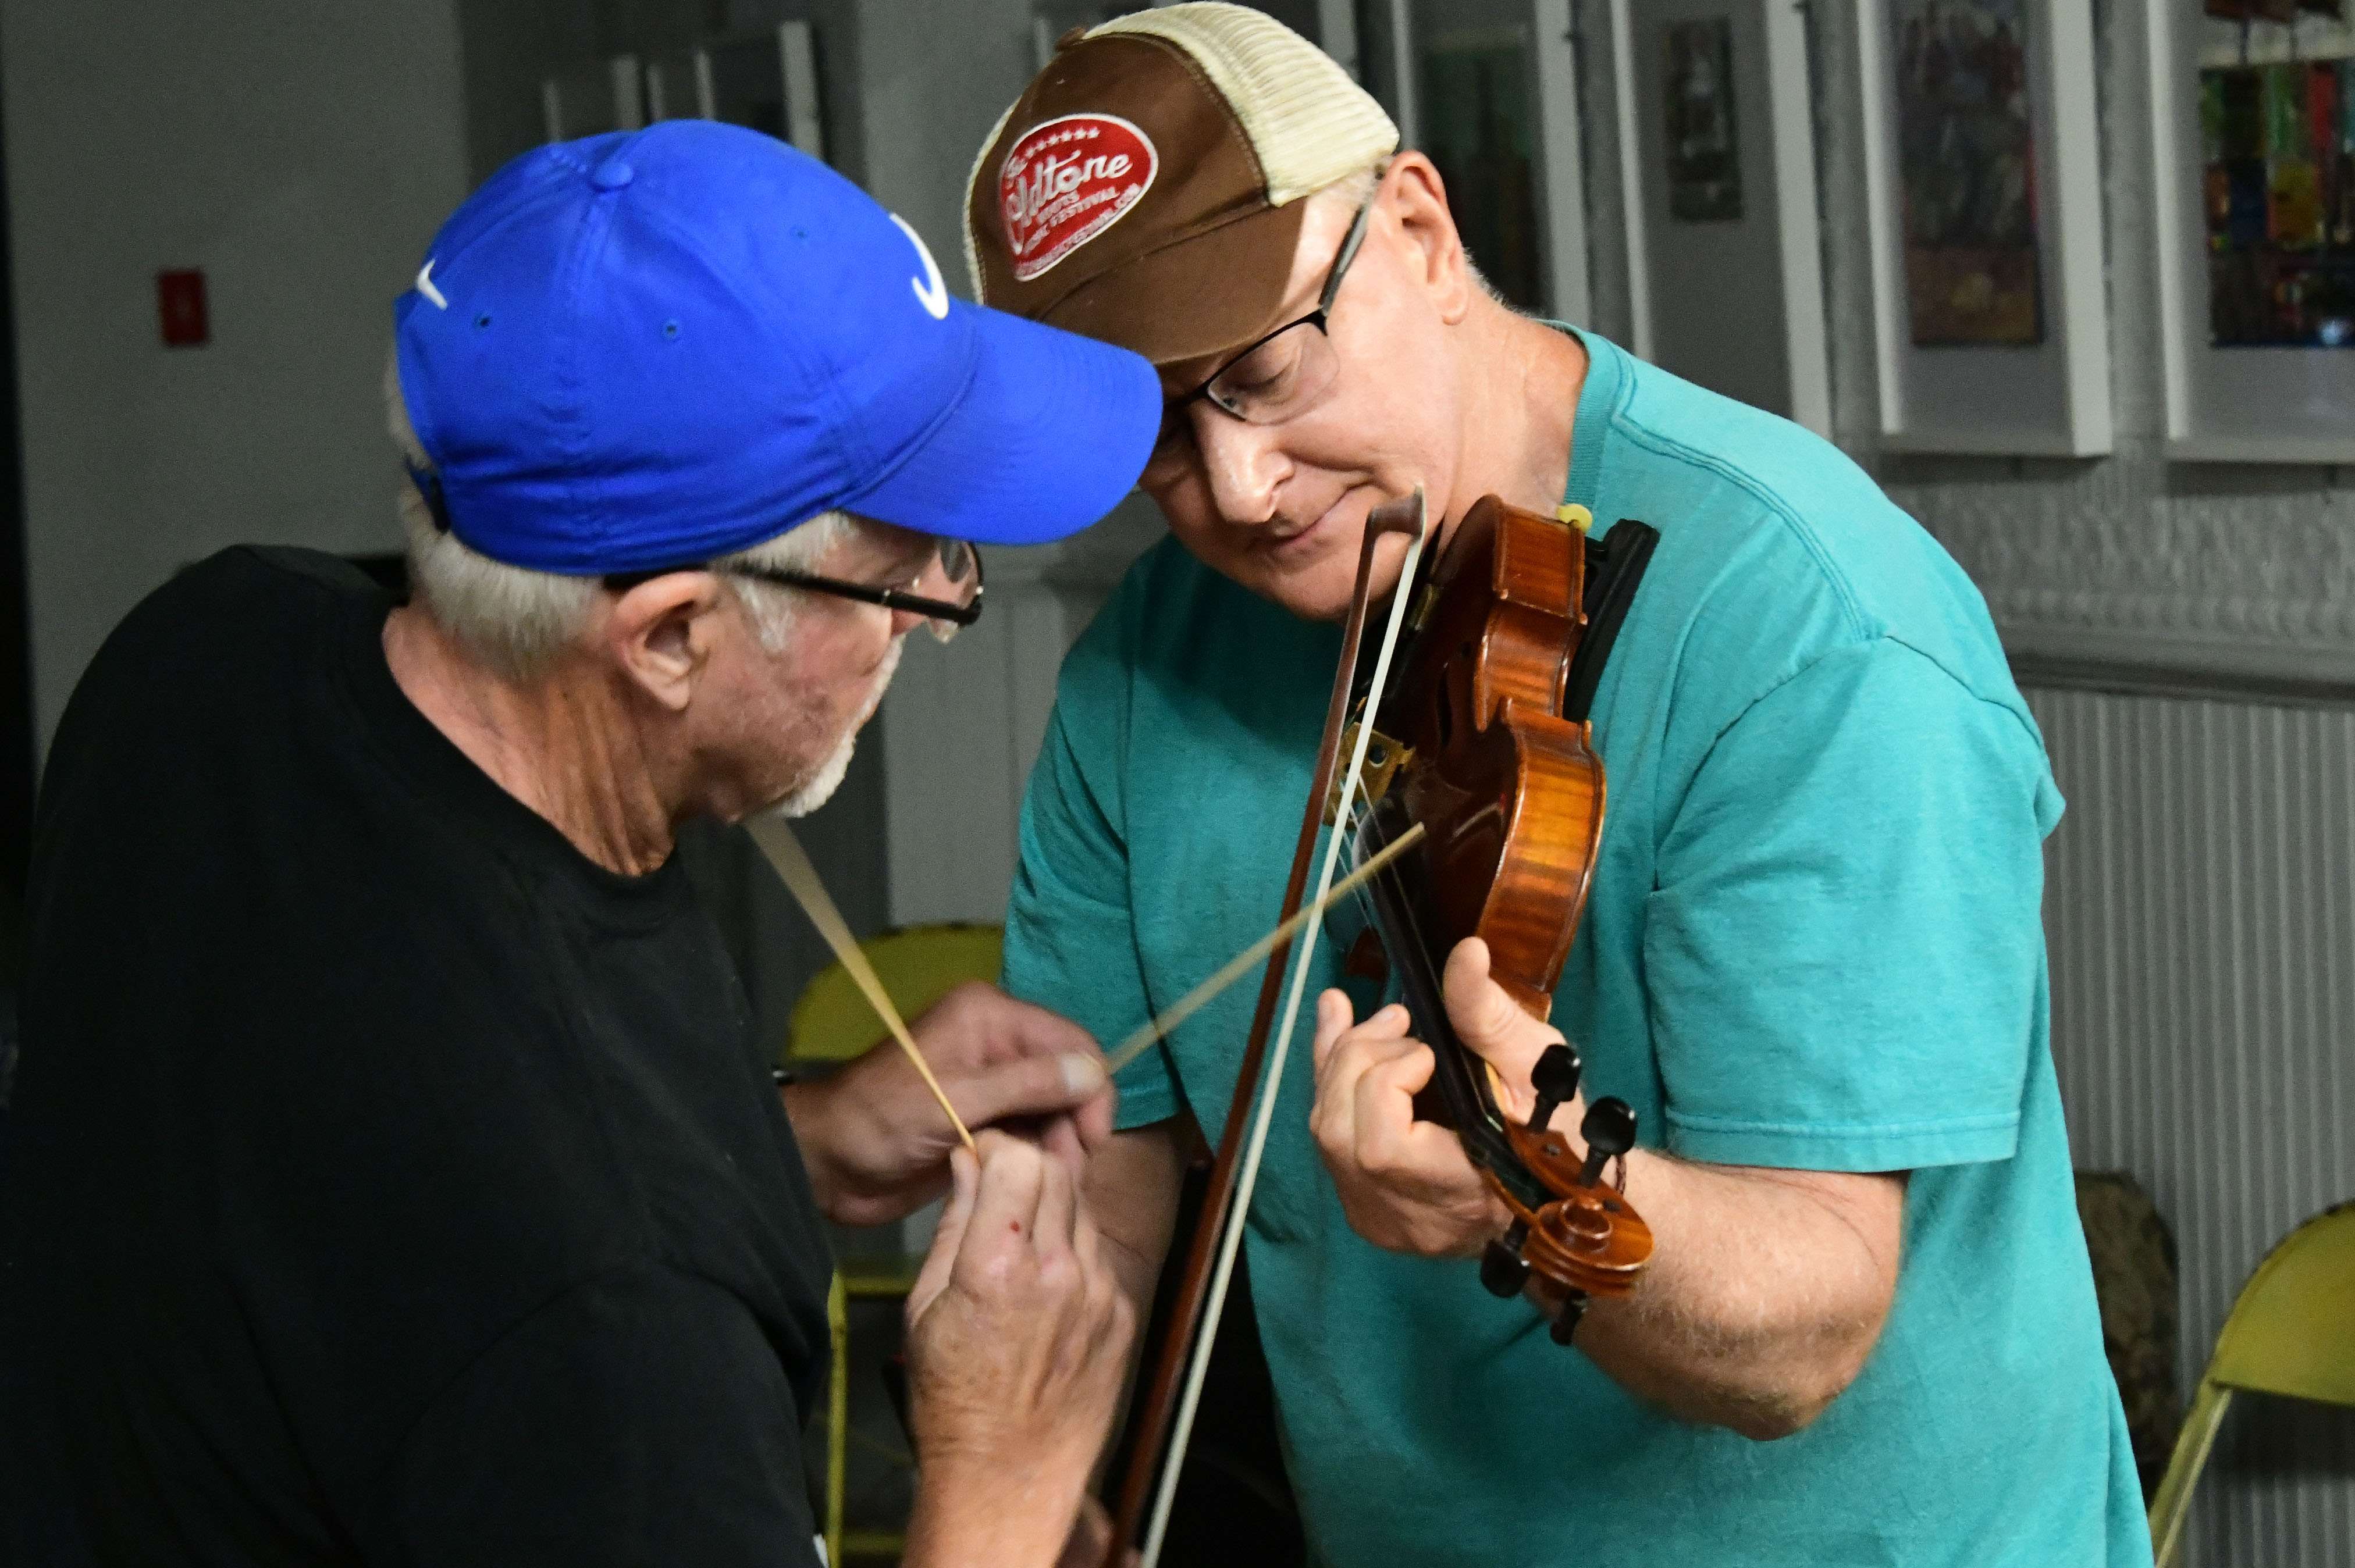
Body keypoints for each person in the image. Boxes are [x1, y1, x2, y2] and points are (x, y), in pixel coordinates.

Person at [965, 6, 2150, 1565]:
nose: (1234, 492)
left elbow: (1802, 1333)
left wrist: (1519, 1199)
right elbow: (1104, 1183)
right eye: (1147, 434)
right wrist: (1019, 1494)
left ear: (1419, 231)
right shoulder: (1141, 673)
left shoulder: (1809, 626)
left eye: (1257, 371)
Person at [5, 122, 1159, 1567]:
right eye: (907, 568)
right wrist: (1003, 1474)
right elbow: (538, 1230)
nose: (933, 604)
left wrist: (783, 1147)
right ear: (671, 634)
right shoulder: (617, 1331)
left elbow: (356, 1186)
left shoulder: (202, 652)